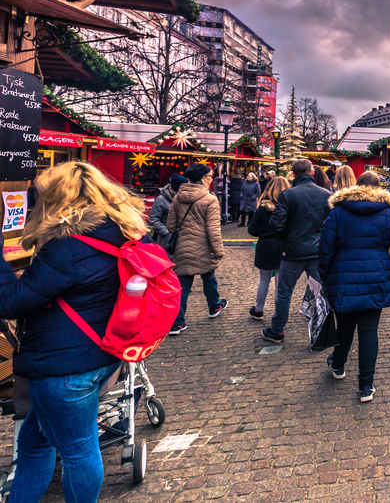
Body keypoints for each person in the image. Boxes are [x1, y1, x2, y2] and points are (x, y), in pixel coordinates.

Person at [0, 162, 152, 503]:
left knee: (75, 449)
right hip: (102, 355)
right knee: (37, 445)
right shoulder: (123, 231)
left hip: (62, 367)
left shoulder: (65, 247)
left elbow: (10, 303)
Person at [319, 172, 390, 403]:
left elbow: (326, 248)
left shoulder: (338, 212)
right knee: (369, 330)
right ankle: (366, 386)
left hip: (344, 276)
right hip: (377, 277)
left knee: (345, 325)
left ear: (357, 187)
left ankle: (338, 364)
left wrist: (325, 275)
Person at [262, 158, 333, 343]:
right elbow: (332, 224)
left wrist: (286, 238)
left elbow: (276, 223)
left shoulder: (288, 194)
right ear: (311, 172)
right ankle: (321, 332)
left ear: (293, 174)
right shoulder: (326, 194)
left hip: (292, 253)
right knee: (320, 293)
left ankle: (277, 330)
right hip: (317, 252)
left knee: (284, 292)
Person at [167, 163, 227, 335]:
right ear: (203, 178)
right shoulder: (210, 199)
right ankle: (214, 306)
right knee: (209, 277)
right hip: (204, 247)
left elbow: (171, 226)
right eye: (210, 176)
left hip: (182, 247)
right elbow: (213, 229)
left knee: (183, 285)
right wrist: (218, 251)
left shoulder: (178, 197)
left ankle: (177, 322)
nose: (211, 179)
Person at [247, 177, 290, 320]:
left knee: (263, 279)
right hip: (283, 245)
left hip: (265, 245)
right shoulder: (289, 207)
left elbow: (252, 229)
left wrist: (264, 232)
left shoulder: (263, 208)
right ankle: (279, 312)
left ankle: (258, 309)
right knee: (280, 281)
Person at [148, 173, 187, 249]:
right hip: (166, 241)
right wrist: (167, 232)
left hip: (182, 240)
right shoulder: (161, 199)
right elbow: (153, 219)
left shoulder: (183, 198)